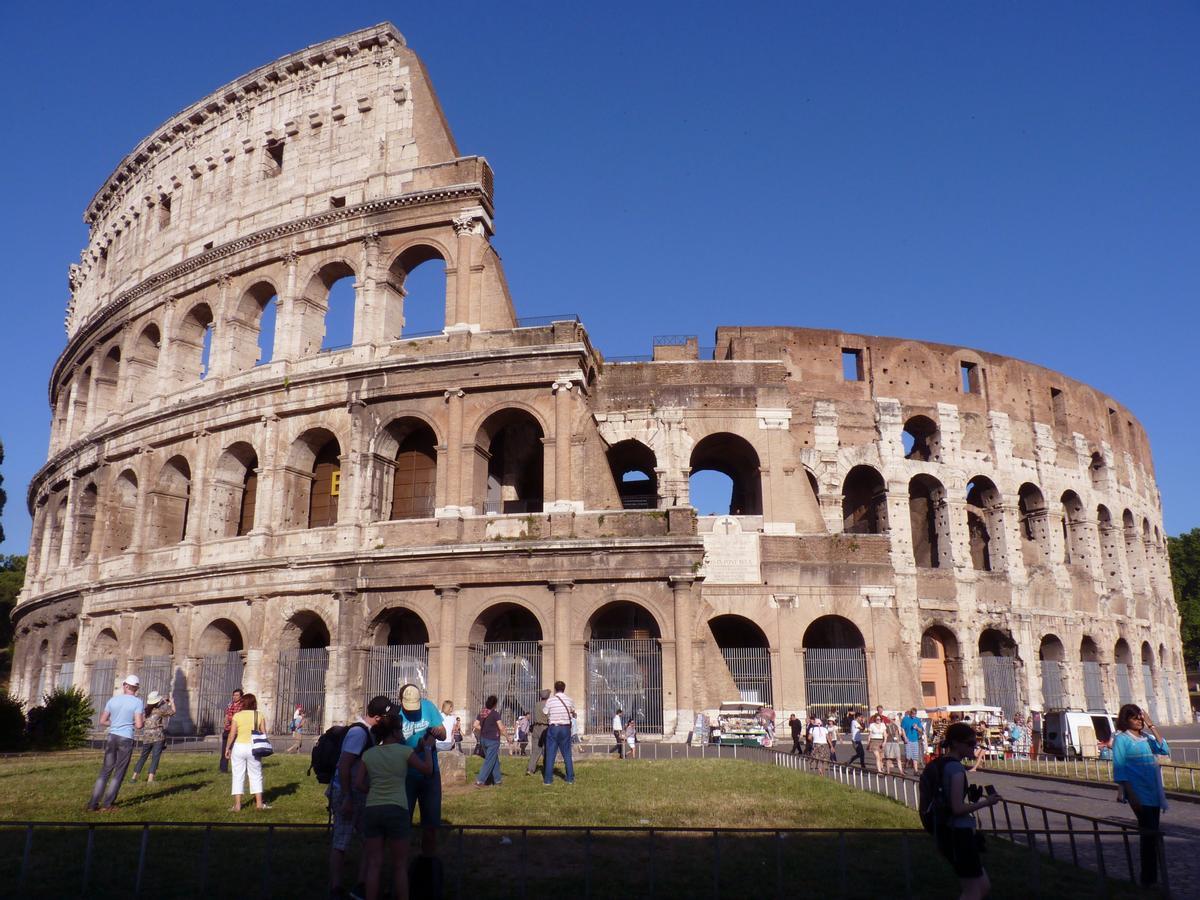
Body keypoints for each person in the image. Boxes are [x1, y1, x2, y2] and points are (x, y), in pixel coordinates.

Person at [354, 706, 435, 900]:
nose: (402, 733)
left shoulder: (370, 754)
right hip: (397, 809)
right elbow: (427, 770)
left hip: (373, 809)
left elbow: (358, 784)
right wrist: (428, 749)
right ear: (394, 732)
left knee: (374, 864)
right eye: (399, 730)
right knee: (399, 865)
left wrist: (371, 791)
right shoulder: (404, 752)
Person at [329, 695, 390, 899]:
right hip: (347, 792)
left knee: (369, 840)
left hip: (359, 792)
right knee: (342, 840)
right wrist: (347, 797)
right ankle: (336, 887)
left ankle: (362, 885)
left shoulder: (368, 732)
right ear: (379, 718)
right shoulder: (358, 733)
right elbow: (345, 765)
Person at [934, 721, 1002, 899]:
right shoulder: (956, 769)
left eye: (976, 743)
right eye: (971, 744)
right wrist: (986, 803)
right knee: (973, 892)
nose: (975, 748)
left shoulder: (942, 763)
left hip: (948, 830)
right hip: (959, 834)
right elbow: (957, 808)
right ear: (956, 743)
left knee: (983, 887)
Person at [1113, 703, 1170, 886]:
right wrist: (1131, 795)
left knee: (1151, 835)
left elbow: (1163, 749)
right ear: (1125, 720)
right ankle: (1148, 879)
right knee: (1149, 835)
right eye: (1134, 718)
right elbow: (1120, 769)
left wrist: (1152, 725)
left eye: (1140, 717)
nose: (1139, 721)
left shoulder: (1146, 738)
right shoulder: (1122, 740)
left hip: (1153, 792)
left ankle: (1151, 878)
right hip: (1138, 793)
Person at [395, 684, 446, 868]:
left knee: (431, 824)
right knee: (402, 823)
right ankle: (401, 865)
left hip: (429, 775)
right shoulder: (395, 715)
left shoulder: (428, 707)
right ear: (401, 701)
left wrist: (437, 734)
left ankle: (427, 865)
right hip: (405, 775)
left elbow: (443, 733)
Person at [87, 674, 145, 811]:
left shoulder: (112, 700)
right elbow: (138, 725)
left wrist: (115, 723)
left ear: (125, 685)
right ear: (136, 688)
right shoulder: (137, 702)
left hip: (112, 736)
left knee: (105, 771)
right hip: (126, 738)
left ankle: (92, 804)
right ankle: (107, 804)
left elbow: (102, 721)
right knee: (119, 772)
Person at [225, 692, 269, 812]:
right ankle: (259, 804)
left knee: (238, 775)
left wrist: (227, 748)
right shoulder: (259, 715)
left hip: (239, 747)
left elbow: (232, 734)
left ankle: (238, 806)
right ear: (254, 703)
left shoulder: (237, 716)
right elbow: (264, 733)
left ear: (243, 703)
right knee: (256, 775)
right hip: (253, 747)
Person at [131, 690, 175, 782]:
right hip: (158, 737)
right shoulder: (160, 711)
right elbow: (173, 712)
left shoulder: (145, 712)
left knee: (143, 756)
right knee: (155, 757)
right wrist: (172, 702)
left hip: (147, 737)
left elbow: (141, 723)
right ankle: (150, 779)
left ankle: (134, 777)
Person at [543, 680, 576, 785]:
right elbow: (573, 712)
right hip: (565, 728)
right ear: (564, 689)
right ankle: (570, 778)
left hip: (554, 727)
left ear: (555, 689)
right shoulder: (569, 700)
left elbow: (545, 712)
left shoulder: (550, 700)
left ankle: (548, 780)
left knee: (550, 754)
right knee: (567, 754)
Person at [472, 694, 507, 786]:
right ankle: (480, 781)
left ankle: (498, 780)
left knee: (493, 759)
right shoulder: (495, 714)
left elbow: (475, 725)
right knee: (489, 760)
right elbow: (501, 727)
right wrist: (508, 737)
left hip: (483, 739)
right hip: (493, 740)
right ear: (495, 704)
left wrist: (483, 729)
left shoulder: (482, 713)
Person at [526, 689, 551, 776]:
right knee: (547, 749)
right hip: (545, 727)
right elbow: (549, 717)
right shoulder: (548, 705)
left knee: (535, 750)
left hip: (536, 727)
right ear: (548, 696)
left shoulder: (536, 704)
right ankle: (547, 769)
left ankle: (530, 769)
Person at [219, 688, 243, 774]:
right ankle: (223, 769)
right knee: (224, 749)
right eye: (234, 695)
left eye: (237, 695)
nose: (234, 697)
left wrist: (230, 719)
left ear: (241, 696)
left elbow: (238, 718)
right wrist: (225, 721)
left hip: (236, 731)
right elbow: (226, 714)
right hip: (227, 729)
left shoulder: (242, 706)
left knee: (235, 751)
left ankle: (237, 769)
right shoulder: (230, 704)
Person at [901, 708, 924, 774]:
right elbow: (902, 729)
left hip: (915, 740)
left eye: (915, 714)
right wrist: (905, 737)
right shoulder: (905, 719)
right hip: (908, 740)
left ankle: (916, 771)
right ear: (910, 713)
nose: (914, 715)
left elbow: (921, 730)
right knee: (908, 756)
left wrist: (917, 727)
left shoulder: (917, 720)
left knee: (915, 756)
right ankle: (905, 767)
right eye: (912, 714)